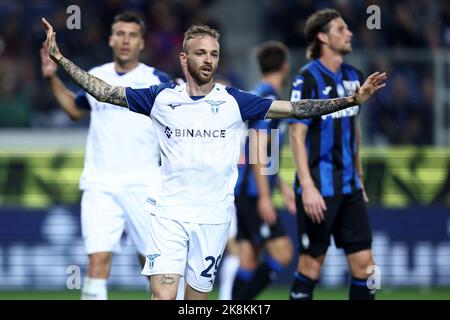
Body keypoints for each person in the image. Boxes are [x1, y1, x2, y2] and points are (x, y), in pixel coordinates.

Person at [41, 18, 387, 300]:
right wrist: (59, 59)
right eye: (201, 53)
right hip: (168, 214)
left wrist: (350, 100)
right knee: (162, 297)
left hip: (213, 216)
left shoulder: (237, 100)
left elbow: (296, 109)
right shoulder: (160, 97)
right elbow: (103, 91)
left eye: (214, 54)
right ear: (183, 58)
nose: (208, 60)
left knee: (195, 302)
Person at [39, 12, 186, 300]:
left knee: (153, 266)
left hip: (143, 186)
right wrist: (51, 78)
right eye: (120, 33)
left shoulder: (157, 79)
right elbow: (74, 110)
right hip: (99, 184)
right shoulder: (97, 76)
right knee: (96, 261)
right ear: (110, 39)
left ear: (142, 42)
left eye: (132, 35)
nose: (125, 40)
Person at [288, 9, 377, 300]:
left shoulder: (356, 77)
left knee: (366, 268)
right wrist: (308, 187)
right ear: (323, 37)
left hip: (349, 186)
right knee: (311, 265)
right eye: (341, 29)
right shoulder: (308, 79)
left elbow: (355, 126)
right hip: (318, 188)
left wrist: (360, 177)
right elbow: (296, 135)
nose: (349, 33)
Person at [231, 41, 296, 300]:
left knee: (248, 259)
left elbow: (263, 154)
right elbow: (258, 149)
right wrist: (265, 197)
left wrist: (281, 187)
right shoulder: (269, 100)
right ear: (285, 67)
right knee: (283, 253)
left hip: (249, 190)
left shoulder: (259, 93)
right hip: (253, 193)